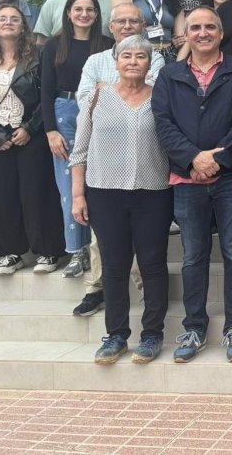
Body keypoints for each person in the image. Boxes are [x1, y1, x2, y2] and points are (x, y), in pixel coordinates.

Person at [153, 7, 232, 364]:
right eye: (195, 27)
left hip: (231, 178)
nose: (202, 33)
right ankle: (194, 327)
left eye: (210, 26)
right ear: (186, 34)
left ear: (221, 31)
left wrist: (217, 160)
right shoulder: (169, 75)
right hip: (187, 179)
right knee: (194, 256)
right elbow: (163, 124)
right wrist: (193, 159)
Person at [71, 35, 172, 364]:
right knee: (114, 267)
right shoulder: (97, 97)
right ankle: (116, 335)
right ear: (115, 61)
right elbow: (80, 151)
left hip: (152, 192)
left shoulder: (161, 99)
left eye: (140, 56)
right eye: (125, 55)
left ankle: (152, 334)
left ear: (150, 62)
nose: (132, 61)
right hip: (104, 193)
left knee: (153, 265)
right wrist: (77, 195)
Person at [0, 5, 63, 275]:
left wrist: (30, 128)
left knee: (37, 193)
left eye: (15, 19)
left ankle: (47, 251)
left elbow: (48, 95)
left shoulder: (39, 56)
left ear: (23, 26)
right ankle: (10, 253)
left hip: (30, 135)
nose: (8, 22)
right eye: (2, 19)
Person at [41, 0, 113, 278]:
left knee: (99, 185)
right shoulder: (54, 45)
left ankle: (100, 246)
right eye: (78, 9)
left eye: (90, 9)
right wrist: (50, 130)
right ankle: (76, 251)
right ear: (68, 13)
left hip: (100, 112)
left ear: (97, 14)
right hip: (64, 113)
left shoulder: (107, 45)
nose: (84, 14)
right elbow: (45, 90)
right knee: (70, 187)